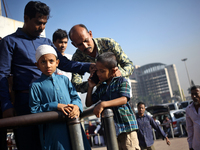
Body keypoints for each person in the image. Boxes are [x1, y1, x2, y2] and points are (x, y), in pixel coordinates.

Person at [0, 1, 93, 150]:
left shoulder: (47, 42)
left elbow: (65, 64)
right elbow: (2, 75)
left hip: (56, 101)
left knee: (62, 143)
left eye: (45, 23)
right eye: (38, 23)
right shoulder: (10, 42)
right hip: (26, 104)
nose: (42, 27)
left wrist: (89, 66)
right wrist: (6, 105)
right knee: (31, 144)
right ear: (26, 18)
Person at [29, 44, 91, 150]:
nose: (48, 65)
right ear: (37, 65)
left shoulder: (64, 80)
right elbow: (34, 109)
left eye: (51, 61)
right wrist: (55, 106)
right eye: (43, 62)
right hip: (53, 132)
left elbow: (75, 97)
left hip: (73, 125)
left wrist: (76, 107)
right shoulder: (35, 86)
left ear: (57, 63)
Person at [86, 52, 140, 150]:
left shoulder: (122, 81)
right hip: (112, 131)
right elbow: (88, 103)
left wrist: (103, 104)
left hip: (127, 128)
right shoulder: (101, 87)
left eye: (102, 71)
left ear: (113, 70)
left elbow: (124, 99)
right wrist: (90, 88)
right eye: (97, 71)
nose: (98, 74)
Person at [69, 24, 134, 93]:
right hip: (102, 92)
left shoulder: (108, 44)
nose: (85, 46)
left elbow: (129, 65)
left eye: (86, 40)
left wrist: (120, 73)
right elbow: (76, 85)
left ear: (90, 34)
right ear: (74, 45)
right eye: (80, 44)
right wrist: (94, 81)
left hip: (121, 87)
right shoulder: (77, 58)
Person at [186, 85, 200, 150]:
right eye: (192, 94)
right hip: (196, 145)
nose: (194, 96)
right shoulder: (189, 109)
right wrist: (190, 145)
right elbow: (190, 129)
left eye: (196, 94)